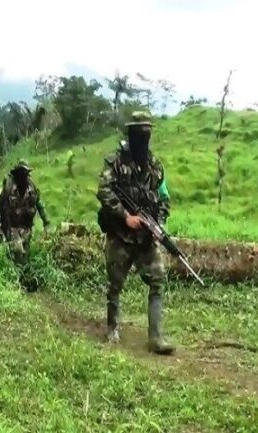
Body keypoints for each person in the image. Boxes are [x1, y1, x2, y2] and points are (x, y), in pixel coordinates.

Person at [96, 111, 174, 355]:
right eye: (140, 132)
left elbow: (164, 198)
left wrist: (158, 224)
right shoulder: (115, 161)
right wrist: (125, 217)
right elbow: (104, 191)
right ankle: (112, 328)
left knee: (158, 278)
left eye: (147, 132)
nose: (144, 137)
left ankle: (156, 337)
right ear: (130, 133)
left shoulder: (155, 166)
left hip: (145, 238)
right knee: (115, 283)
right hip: (121, 235)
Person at [0, 159, 50, 265]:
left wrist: (46, 222)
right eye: (20, 173)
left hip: (26, 229)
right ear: (16, 174)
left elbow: (40, 205)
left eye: (25, 174)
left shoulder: (32, 190)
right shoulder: (6, 190)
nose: (23, 177)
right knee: (17, 250)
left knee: (25, 258)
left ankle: (21, 274)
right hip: (11, 228)